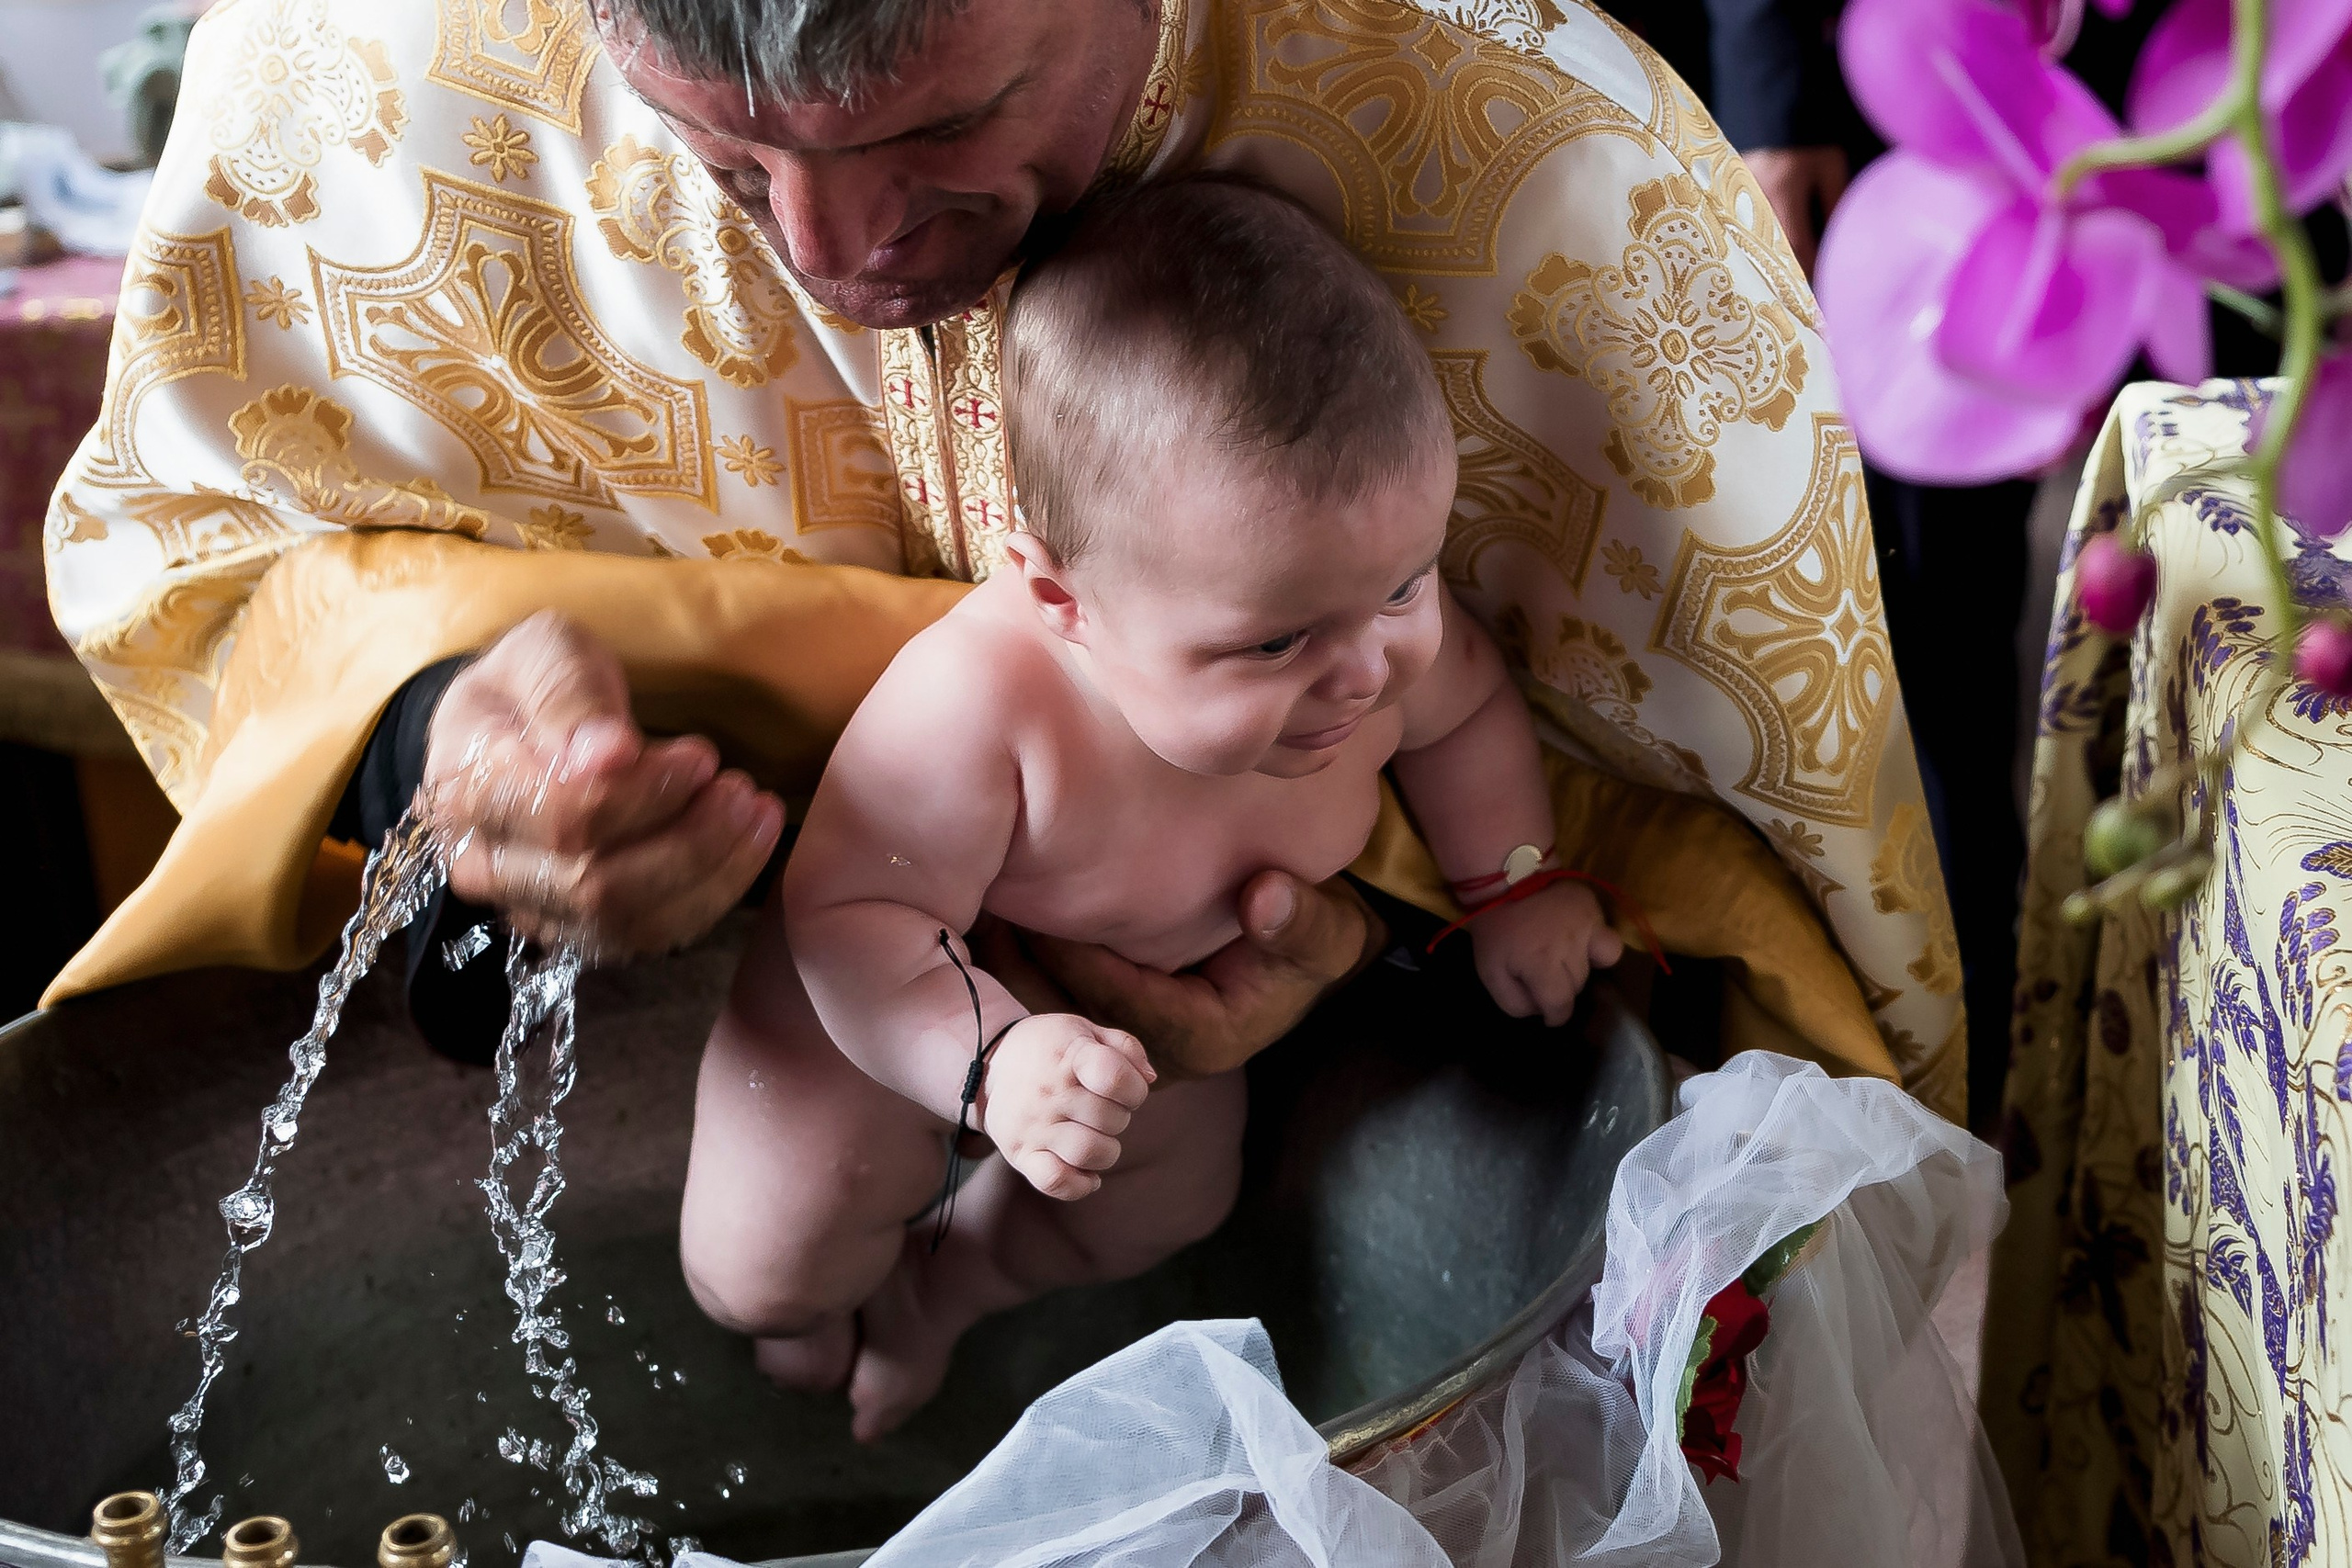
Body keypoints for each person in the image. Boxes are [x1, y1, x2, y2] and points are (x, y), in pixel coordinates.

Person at [41, 0, 1953, 1121]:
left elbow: (1749, 938)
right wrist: (438, 749)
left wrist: (1367, 936)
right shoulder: (367, 83)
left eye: (941, 118)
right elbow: (217, 582)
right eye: (717, 161)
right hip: (686, 1129)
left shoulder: (1552, 178)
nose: (831, 250)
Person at [685, 176, 1624, 1438]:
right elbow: (854, 907)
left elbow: (1468, 718)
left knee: (1160, 1211)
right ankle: (806, 1326)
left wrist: (1513, 881)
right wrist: (992, 1058)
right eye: (1277, 640)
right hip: (897, 1003)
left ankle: (946, 1293)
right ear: (1063, 601)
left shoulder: (1385, 652)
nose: (1368, 672)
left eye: (1406, 584)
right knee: (761, 1259)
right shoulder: (985, 704)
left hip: (1147, 1027)